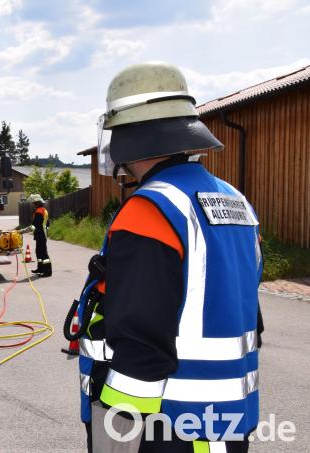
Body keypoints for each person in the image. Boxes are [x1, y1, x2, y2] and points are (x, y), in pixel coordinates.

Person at [71, 61, 262, 452]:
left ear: (127, 134)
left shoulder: (149, 210)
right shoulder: (235, 201)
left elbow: (141, 349)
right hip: (227, 425)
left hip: (168, 427)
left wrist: (116, 440)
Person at [28, 193, 52, 276]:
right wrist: (45, 230)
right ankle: (40, 269)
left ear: (37, 203)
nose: (33, 204)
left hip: (40, 235)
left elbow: (35, 225)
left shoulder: (39, 212)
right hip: (41, 235)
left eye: (34, 203)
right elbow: (48, 223)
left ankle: (47, 272)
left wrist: (23, 231)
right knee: (39, 252)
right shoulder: (44, 210)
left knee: (43, 253)